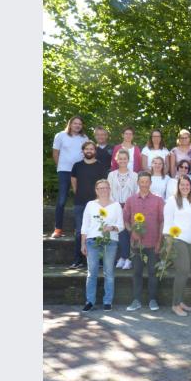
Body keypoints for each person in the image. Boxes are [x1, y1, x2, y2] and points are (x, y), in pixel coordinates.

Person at [123, 172, 165, 312]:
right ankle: (136, 300)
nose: (144, 184)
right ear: (138, 183)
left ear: (150, 183)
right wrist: (131, 231)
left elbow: (162, 221)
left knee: (153, 272)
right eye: (142, 181)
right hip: (136, 244)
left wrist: (160, 240)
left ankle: (153, 300)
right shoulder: (130, 200)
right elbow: (126, 220)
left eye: (147, 181)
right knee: (137, 272)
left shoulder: (158, 200)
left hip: (153, 243)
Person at [80, 179, 124, 312]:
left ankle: (107, 301)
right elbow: (85, 226)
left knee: (109, 272)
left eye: (106, 188)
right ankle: (90, 301)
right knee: (92, 272)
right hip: (92, 241)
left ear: (109, 189)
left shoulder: (116, 206)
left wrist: (111, 228)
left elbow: (121, 226)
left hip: (110, 242)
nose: (104, 190)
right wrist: (83, 243)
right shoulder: (90, 205)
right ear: (96, 191)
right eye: (101, 188)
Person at [163, 175, 191, 317]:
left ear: (190, 187)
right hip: (177, 240)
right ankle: (175, 304)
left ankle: (180, 301)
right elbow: (167, 222)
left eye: (187, 185)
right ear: (178, 186)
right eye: (182, 185)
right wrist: (168, 242)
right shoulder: (172, 201)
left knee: (185, 272)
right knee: (182, 270)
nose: (185, 187)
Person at [69, 141, 108, 269]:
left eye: (91, 149)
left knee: (98, 230)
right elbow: (73, 181)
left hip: (96, 204)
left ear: (95, 151)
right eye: (87, 149)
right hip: (80, 203)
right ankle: (78, 260)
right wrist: (78, 193)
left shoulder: (100, 166)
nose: (89, 151)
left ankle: (100, 261)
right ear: (83, 151)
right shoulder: (77, 165)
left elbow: (103, 184)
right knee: (80, 231)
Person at [52, 115, 88, 238]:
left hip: (79, 173)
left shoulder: (84, 138)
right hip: (64, 172)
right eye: (75, 123)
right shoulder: (60, 135)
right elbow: (55, 153)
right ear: (70, 124)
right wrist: (60, 166)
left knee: (80, 200)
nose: (77, 125)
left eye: (80, 124)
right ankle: (58, 229)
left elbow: (88, 153)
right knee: (62, 200)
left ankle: (79, 229)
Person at [108, 149, 138, 270]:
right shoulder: (111, 175)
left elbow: (137, 192)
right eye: (120, 158)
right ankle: (124, 257)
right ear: (116, 159)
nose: (122, 161)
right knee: (120, 231)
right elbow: (108, 191)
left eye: (125, 158)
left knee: (129, 231)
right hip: (115, 206)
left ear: (128, 160)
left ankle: (128, 258)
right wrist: (115, 205)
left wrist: (130, 206)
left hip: (130, 206)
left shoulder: (135, 175)